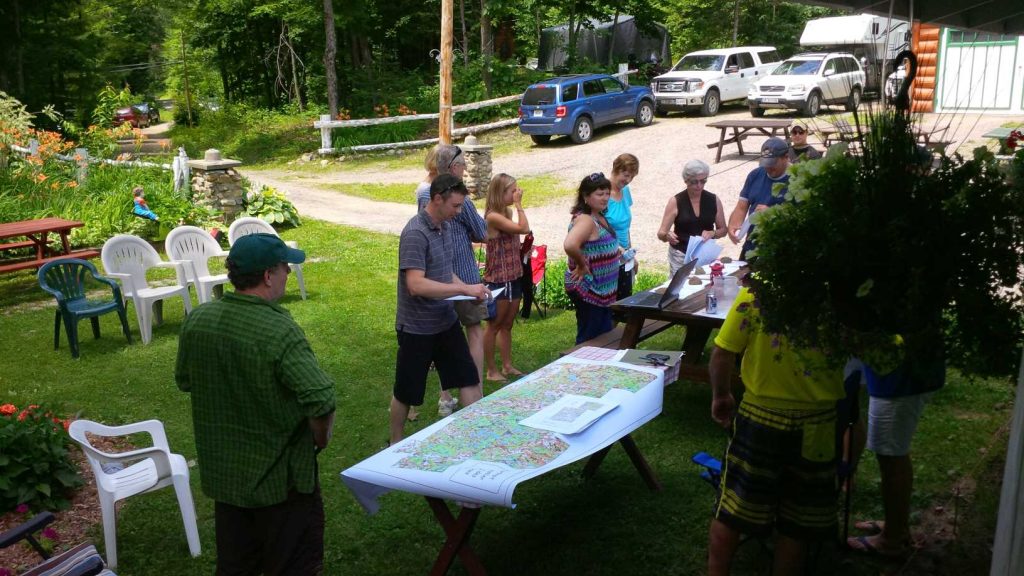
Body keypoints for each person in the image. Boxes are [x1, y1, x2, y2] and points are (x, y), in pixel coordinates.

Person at [175, 233, 336, 575]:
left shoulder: (198, 319)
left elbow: (185, 379)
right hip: (281, 485)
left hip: (226, 479)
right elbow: (321, 400)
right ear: (267, 275)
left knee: (236, 566)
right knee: (293, 566)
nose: (288, 273)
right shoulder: (278, 329)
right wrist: (320, 439)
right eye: (284, 267)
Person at [707, 287, 845, 576]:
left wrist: (721, 395)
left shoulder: (758, 292)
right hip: (817, 424)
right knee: (796, 521)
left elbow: (722, 353)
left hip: (760, 418)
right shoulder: (843, 296)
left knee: (732, 509)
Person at [393, 174, 488, 444]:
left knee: (468, 378)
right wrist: (463, 290)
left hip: (445, 322)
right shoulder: (415, 233)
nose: (459, 212)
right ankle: (395, 443)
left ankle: (477, 439)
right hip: (417, 327)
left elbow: (446, 272)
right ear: (437, 199)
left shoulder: (444, 227)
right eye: (455, 206)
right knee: (406, 391)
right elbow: (416, 285)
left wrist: (469, 290)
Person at [846, 346, 944, 557]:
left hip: (899, 380)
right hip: (895, 375)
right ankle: (895, 525)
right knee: (890, 454)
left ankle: (893, 539)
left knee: (891, 456)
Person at [415, 144, 487, 416]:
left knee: (445, 337)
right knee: (474, 331)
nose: (465, 168)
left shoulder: (424, 193)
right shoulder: (461, 200)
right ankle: (476, 393)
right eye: (462, 164)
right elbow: (481, 232)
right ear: (452, 167)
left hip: (437, 276)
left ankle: (445, 398)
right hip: (463, 276)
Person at [482, 173, 530, 382]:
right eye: (513, 190)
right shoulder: (493, 216)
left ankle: (507, 365)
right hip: (498, 277)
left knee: (508, 324)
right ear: (500, 193)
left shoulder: (507, 212)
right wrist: (519, 205)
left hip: (513, 275)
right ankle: (491, 370)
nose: (517, 193)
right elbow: (524, 228)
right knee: (494, 325)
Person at [563, 173, 619, 345]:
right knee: (589, 341)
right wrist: (581, 265)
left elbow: (600, 246)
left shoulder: (598, 216)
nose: (605, 198)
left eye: (607, 193)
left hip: (604, 293)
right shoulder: (586, 220)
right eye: (599, 194)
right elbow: (570, 245)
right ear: (585, 196)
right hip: (591, 292)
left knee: (602, 340)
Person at [656, 159, 727, 277]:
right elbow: (661, 233)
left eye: (703, 181)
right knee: (680, 286)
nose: (699, 186)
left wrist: (713, 233)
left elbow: (723, 230)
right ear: (686, 180)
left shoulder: (713, 200)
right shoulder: (676, 201)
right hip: (680, 256)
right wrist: (667, 236)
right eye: (694, 182)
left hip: (705, 255)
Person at [727, 137, 791, 260]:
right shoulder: (755, 174)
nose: (768, 168)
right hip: (752, 245)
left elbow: (800, 216)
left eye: (772, 163)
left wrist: (772, 213)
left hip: (780, 248)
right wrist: (733, 225)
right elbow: (742, 206)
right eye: (766, 163)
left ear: (786, 157)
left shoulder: (795, 178)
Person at [606, 153, 639, 299]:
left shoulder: (625, 191)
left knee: (625, 302)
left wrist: (631, 255)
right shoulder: (603, 194)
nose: (628, 180)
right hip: (608, 258)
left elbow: (625, 227)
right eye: (626, 175)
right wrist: (616, 248)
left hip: (624, 257)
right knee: (611, 304)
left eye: (632, 177)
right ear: (616, 169)